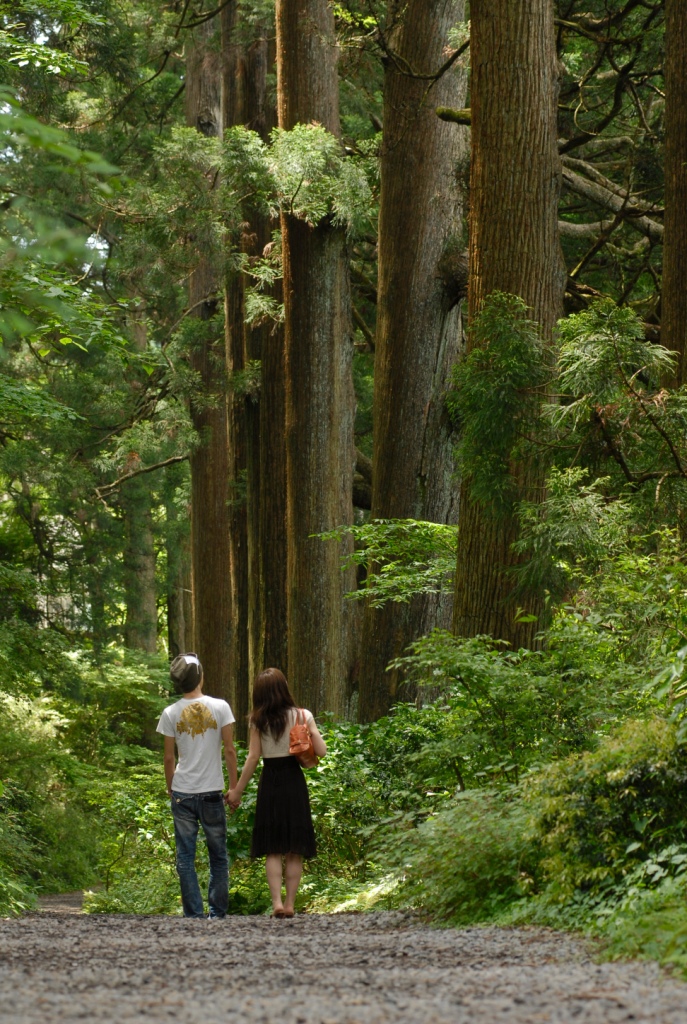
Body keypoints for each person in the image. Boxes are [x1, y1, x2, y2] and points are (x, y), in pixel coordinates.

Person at [227, 667, 326, 918]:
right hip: (294, 781)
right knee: (294, 848)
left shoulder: (258, 720)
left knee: (273, 848)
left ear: (259, 694)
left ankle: (277, 904)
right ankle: (291, 904)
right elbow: (321, 751)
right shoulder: (303, 715)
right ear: (284, 688)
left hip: (269, 782)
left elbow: (253, 757)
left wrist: (237, 791)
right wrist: (311, 729)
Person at [156, 652, 237, 919]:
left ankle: (194, 916)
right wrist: (234, 786)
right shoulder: (221, 707)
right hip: (212, 791)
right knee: (218, 856)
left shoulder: (170, 712)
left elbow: (169, 757)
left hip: (182, 792)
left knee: (185, 857)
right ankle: (217, 913)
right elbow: (229, 751)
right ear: (200, 675)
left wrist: (170, 787)